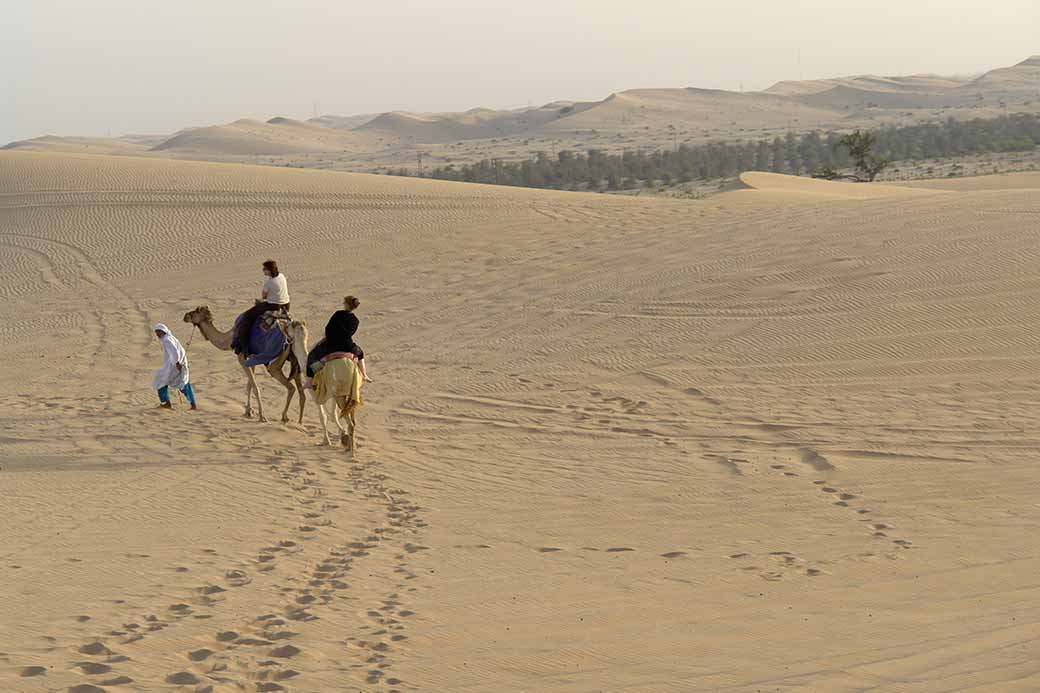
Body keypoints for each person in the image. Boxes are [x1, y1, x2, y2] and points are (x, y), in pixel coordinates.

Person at [307, 295, 371, 382]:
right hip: (347, 346)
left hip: (331, 345)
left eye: (344, 302)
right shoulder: (355, 320)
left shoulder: (338, 314)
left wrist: (326, 338)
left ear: (347, 305)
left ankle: (310, 380)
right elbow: (350, 333)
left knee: (312, 355)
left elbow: (328, 329)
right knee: (360, 354)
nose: (343, 304)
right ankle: (364, 375)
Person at [233, 259, 291, 356]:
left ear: (269, 270)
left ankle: (244, 348)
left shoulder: (269, 282)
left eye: (264, 269)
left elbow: (264, 296)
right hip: (286, 304)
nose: (263, 270)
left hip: (273, 306)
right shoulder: (282, 276)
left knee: (247, 317)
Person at [153, 323, 197, 410]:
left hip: (174, 365)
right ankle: (193, 404)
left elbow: (174, 351)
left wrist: (177, 362)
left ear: (163, 331)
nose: (157, 334)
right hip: (178, 364)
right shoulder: (171, 338)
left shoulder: (167, 340)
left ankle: (166, 403)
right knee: (183, 383)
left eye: (158, 332)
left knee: (160, 382)